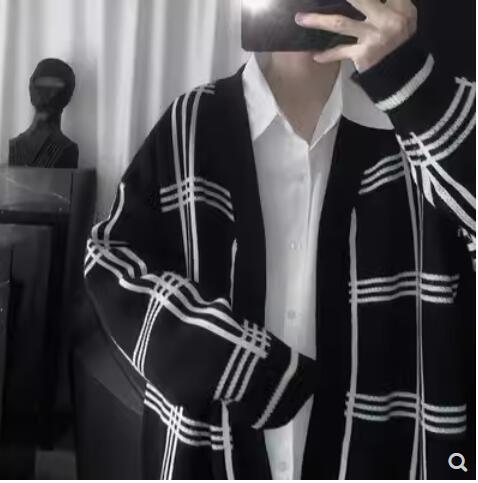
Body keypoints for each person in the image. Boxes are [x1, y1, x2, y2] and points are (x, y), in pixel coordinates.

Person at [84, 0, 475, 479]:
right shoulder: (193, 122)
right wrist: (236, 365)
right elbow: (111, 261)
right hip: (211, 454)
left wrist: (411, 83)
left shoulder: (426, 124)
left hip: (385, 453)